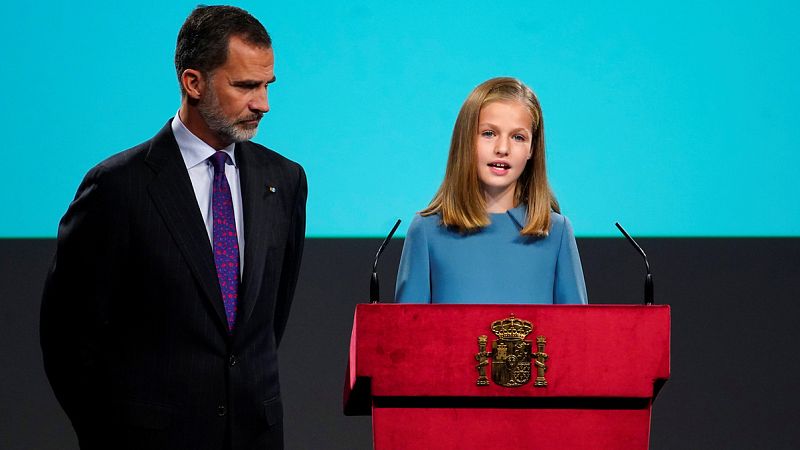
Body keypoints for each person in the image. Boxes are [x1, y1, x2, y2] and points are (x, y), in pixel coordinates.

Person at [40, 6, 306, 449]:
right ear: (193, 82)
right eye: (245, 86)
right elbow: (68, 339)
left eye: (266, 85)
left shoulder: (286, 180)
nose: (263, 103)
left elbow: (264, 324)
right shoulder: (118, 186)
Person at [395, 77, 587, 304]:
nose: (502, 148)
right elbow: (406, 335)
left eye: (518, 137)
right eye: (489, 133)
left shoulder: (556, 232)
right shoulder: (427, 231)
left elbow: (577, 335)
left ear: (532, 149)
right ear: (466, 140)